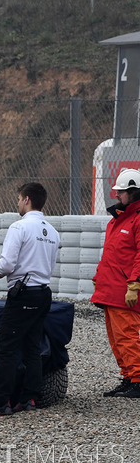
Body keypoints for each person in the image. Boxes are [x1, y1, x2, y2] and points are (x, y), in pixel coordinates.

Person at [0, 182, 60, 417]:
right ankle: (28, 400)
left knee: (6, 349)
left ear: (27, 199)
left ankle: (0, 404)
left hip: (22, 293)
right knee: (32, 348)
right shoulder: (53, 232)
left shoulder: (19, 227)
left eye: (18, 199)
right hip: (43, 293)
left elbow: (7, 264)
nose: (17, 203)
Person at [92, 168, 140, 399]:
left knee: (126, 336)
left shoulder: (136, 220)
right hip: (112, 290)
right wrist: (98, 277)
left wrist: (135, 284)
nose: (117, 196)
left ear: (134, 192)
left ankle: (138, 380)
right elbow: (111, 255)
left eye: (121, 192)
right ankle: (129, 377)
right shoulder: (119, 220)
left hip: (125, 291)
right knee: (116, 338)